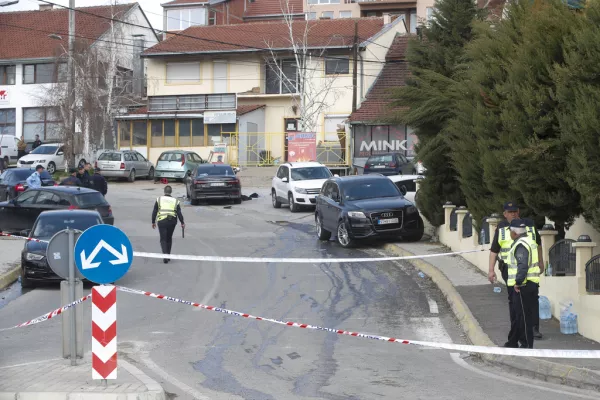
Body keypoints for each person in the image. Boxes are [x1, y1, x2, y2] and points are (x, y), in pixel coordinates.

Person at [488, 201, 544, 343]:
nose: (513, 213)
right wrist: (491, 270)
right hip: (509, 270)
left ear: (518, 212)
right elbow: (494, 251)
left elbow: (538, 245)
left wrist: (541, 262)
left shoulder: (529, 225)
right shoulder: (501, 228)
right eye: (510, 211)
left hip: (526, 270)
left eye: (515, 211)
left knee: (530, 301)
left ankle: (529, 332)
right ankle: (518, 335)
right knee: (515, 303)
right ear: (505, 214)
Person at [506, 219, 540, 348]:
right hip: (531, 284)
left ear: (514, 232)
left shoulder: (520, 245)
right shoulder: (529, 241)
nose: (510, 233)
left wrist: (518, 282)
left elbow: (523, 265)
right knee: (525, 315)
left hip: (523, 285)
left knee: (523, 317)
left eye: (510, 231)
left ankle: (526, 345)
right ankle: (520, 342)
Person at [152, 185, 185, 264]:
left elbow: (155, 211)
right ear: (171, 192)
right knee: (169, 238)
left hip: (162, 221)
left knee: (163, 239)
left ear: (164, 191)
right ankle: (168, 255)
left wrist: (153, 222)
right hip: (172, 221)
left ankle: (165, 256)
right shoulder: (175, 201)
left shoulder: (159, 199)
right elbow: (179, 213)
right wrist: (182, 222)